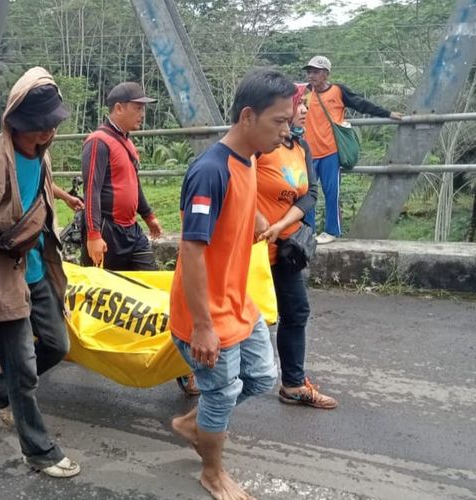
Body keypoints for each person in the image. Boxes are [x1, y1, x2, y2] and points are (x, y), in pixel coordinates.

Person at [169, 69, 291, 500]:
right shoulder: (209, 172)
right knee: (221, 392)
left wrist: (257, 219)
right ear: (247, 117)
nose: (286, 131)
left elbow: (238, 205)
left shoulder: (250, 158)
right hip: (207, 314)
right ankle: (212, 472)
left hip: (239, 302)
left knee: (260, 378)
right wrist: (203, 325)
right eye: (278, 121)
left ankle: (192, 423)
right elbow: (192, 251)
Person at [0, 67, 80, 478]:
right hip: (2, 276)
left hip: (36, 266)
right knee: (25, 371)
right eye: (39, 128)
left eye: (50, 126)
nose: (47, 134)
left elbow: (40, 196)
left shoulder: (41, 152)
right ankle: (38, 450)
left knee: (58, 345)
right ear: (17, 123)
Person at [255, 84, 337, 409]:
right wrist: (263, 222)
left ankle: (292, 384)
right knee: (233, 316)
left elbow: (310, 194)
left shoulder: (301, 147)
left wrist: (280, 223)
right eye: (299, 104)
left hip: (286, 248)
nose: (303, 110)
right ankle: (193, 369)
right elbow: (236, 182)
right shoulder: (261, 147)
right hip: (252, 250)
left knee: (296, 312)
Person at [302, 55, 404, 244]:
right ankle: (308, 231)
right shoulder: (305, 93)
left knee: (332, 192)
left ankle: (331, 231)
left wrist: (387, 113)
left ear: (326, 73)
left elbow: (361, 104)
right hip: (308, 152)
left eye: (315, 72)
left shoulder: (338, 91)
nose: (311, 76)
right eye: (309, 72)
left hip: (330, 152)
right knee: (307, 193)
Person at [80, 81, 163, 270]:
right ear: (119, 108)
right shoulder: (98, 142)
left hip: (131, 230)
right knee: (104, 291)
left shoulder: (127, 143)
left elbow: (134, 184)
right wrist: (93, 235)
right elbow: (91, 190)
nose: (142, 114)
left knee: (148, 280)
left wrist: (148, 216)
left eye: (143, 108)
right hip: (107, 230)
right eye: (138, 108)